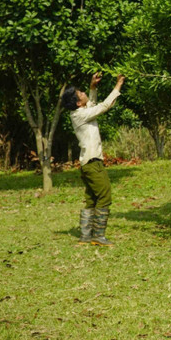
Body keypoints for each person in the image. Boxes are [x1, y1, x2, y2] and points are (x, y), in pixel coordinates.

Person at [61, 72, 125, 247]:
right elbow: (104, 106)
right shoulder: (80, 115)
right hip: (93, 163)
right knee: (105, 195)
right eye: (81, 93)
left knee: (91, 199)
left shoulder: (80, 112)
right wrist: (118, 85)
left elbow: (92, 104)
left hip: (88, 163)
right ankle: (98, 236)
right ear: (78, 102)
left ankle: (85, 236)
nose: (84, 93)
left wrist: (93, 87)